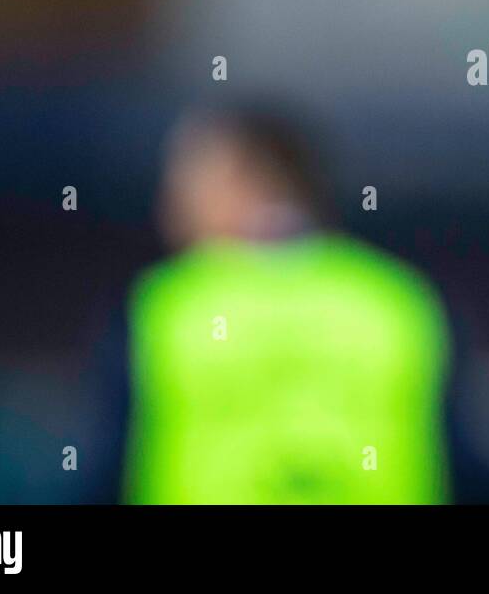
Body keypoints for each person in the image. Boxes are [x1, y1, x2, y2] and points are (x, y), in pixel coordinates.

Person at [121, 107, 451, 503]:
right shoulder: (399, 300)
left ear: (245, 181)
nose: (168, 210)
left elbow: (104, 469)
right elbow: (467, 462)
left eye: (184, 187)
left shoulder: (164, 308)